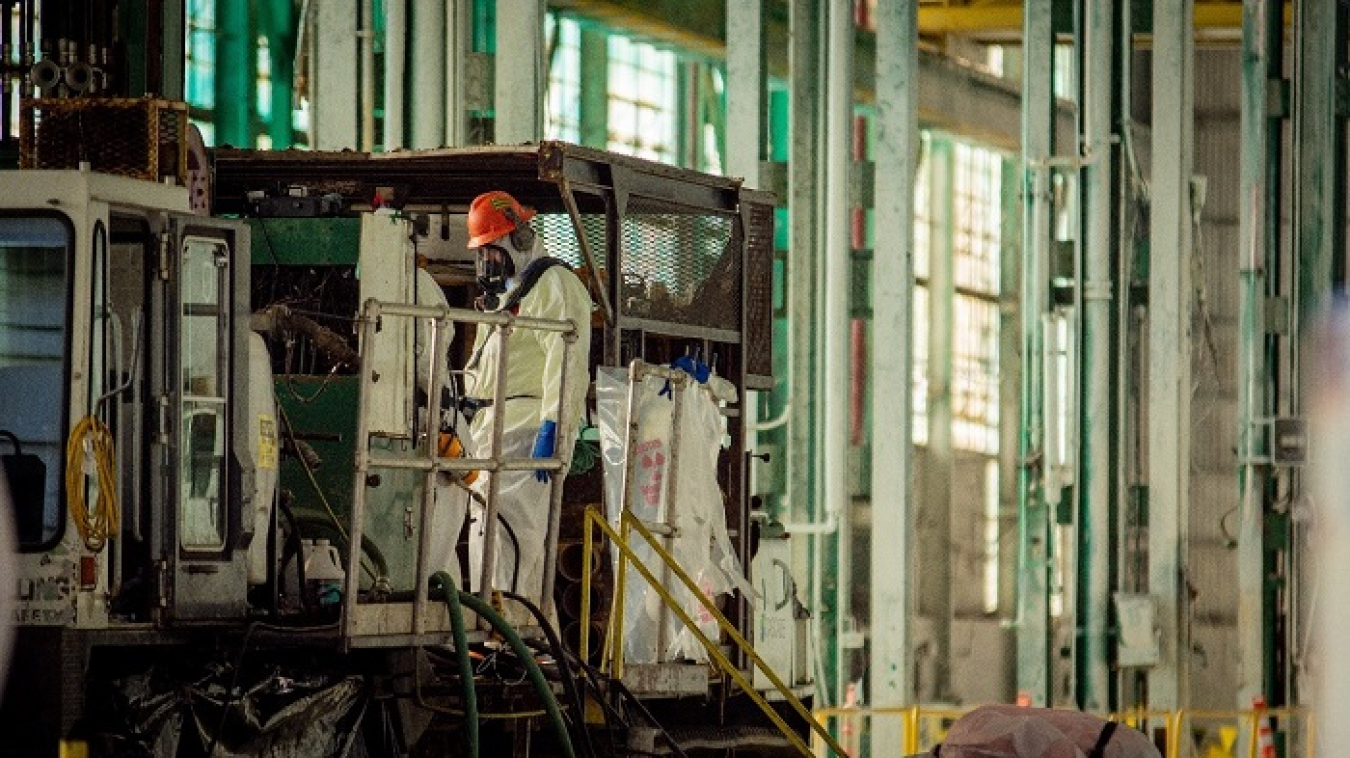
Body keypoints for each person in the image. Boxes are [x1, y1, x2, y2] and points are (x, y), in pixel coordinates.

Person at [460, 191, 592, 613]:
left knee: (509, 536)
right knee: (500, 537)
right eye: (483, 258)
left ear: (517, 240)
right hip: (493, 433)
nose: (488, 267)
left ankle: (505, 639)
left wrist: (555, 426)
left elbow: (565, 357)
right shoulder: (507, 299)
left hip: (528, 430)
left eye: (492, 253)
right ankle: (528, 642)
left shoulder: (554, 284)